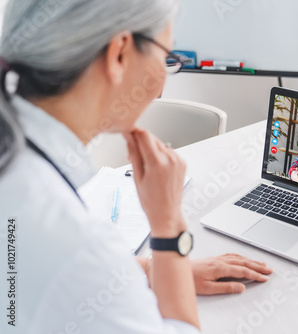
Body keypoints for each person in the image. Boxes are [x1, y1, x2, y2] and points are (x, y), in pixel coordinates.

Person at [0, 1, 271, 333]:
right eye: (165, 57)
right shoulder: (75, 243)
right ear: (119, 54)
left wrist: (146, 270)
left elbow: (32, 269)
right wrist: (169, 230)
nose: (161, 85)